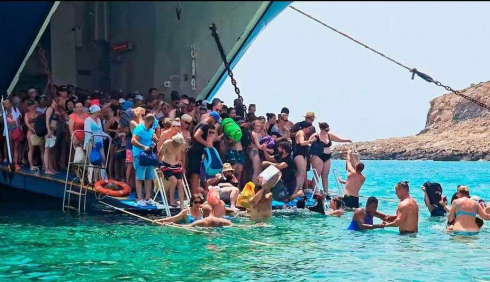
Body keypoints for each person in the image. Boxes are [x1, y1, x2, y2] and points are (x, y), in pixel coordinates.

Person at [309, 122, 351, 194]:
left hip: (327, 156)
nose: (327, 131)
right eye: (326, 130)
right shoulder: (316, 135)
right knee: (317, 175)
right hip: (318, 156)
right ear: (321, 129)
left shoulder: (329, 135)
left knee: (325, 176)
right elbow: (308, 143)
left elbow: (339, 139)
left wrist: (347, 140)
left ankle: (326, 192)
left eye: (328, 130)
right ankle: (315, 191)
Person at [187, 111, 220, 194]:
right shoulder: (205, 125)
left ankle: (195, 194)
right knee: (196, 174)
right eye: (215, 121)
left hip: (195, 151)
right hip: (195, 151)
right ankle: (194, 195)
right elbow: (196, 135)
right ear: (212, 118)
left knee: (196, 174)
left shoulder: (202, 123)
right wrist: (206, 144)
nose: (215, 123)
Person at [131, 114, 159, 206]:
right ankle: (139, 198)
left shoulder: (150, 130)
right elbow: (133, 140)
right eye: (154, 123)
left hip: (149, 156)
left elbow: (154, 140)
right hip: (140, 156)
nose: (154, 126)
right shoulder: (139, 129)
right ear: (150, 121)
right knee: (140, 177)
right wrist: (143, 147)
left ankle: (148, 198)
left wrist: (155, 140)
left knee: (149, 177)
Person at [159, 133, 186, 209]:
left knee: (180, 182)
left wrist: (183, 166)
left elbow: (183, 155)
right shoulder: (167, 143)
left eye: (179, 143)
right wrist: (159, 166)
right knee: (174, 181)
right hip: (166, 165)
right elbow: (160, 154)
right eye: (176, 143)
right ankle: (171, 200)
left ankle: (181, 204)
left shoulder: (182, 144)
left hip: (176, 165)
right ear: (173, 140)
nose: (177, 145)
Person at [24, 100, 45, 170]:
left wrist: (39, 131)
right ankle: (31, 165)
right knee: (31, 149)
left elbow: (42, 122)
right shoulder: (27, 114)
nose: (31, 107)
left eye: (32, 105)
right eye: (29, 106)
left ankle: (44, 165)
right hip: (31, 132)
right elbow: (27, 123)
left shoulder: (39, 113)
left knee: (42, 149)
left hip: (39, 132)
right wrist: (33, 130)